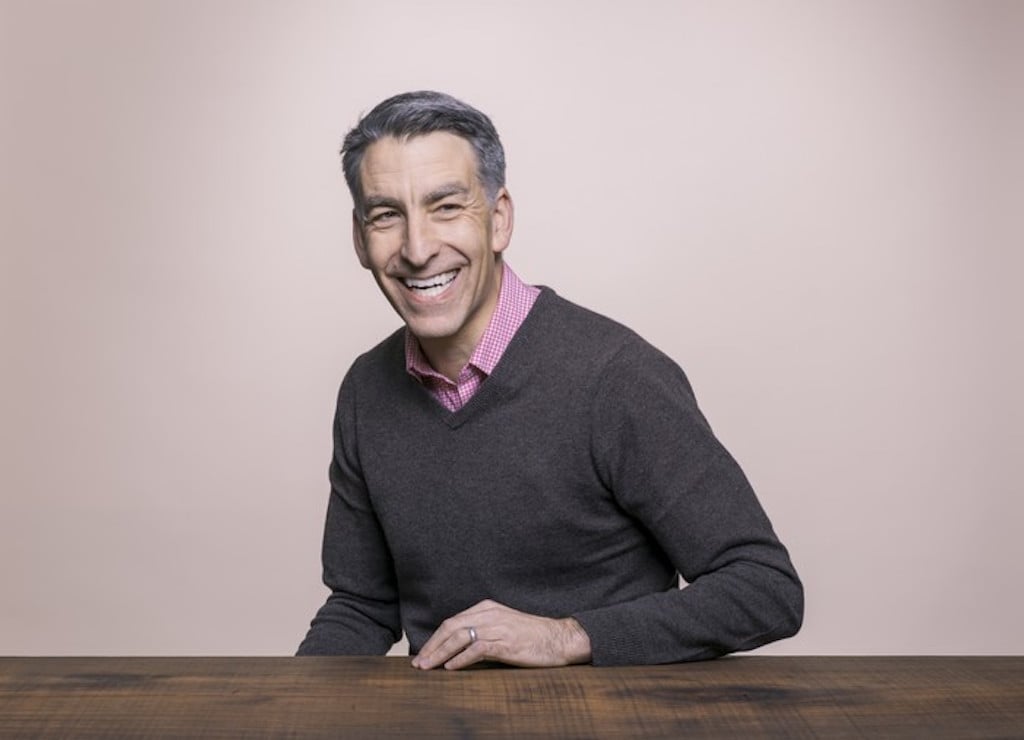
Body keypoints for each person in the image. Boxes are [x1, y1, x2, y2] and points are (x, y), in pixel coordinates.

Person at [297, 91, 803, 669]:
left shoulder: (616, 377)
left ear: (499, 219)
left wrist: (565, 635)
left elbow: (765, 589)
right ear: (361, 240)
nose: (418, 248)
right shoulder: (366, 391)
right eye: (387, 214)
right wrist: (286, 715)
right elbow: (361, 606)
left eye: (446, 207)